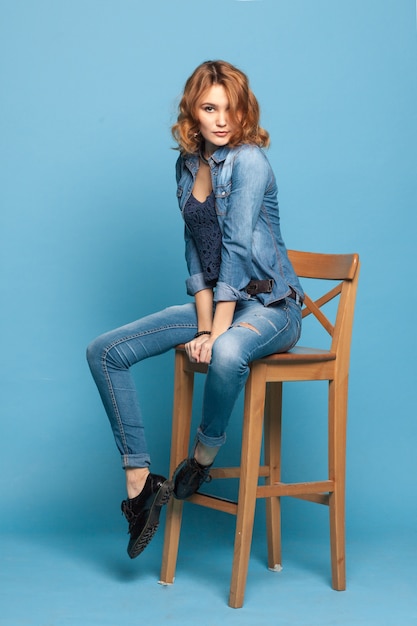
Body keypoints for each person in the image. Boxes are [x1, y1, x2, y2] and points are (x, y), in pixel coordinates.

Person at [86, 60, 304, 560]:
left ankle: (202, 456)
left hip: (272, 305)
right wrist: (204, 323)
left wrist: (215, 334)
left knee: (226, 353)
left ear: (244, 112)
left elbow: (236, 250)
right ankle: (141, 484)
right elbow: (195, 253)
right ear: (193, 112)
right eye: (210, 108)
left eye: (230, 108)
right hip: (222, 304)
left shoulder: (249, 162)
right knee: (105, 352)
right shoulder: (187, 165)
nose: (221, 119)